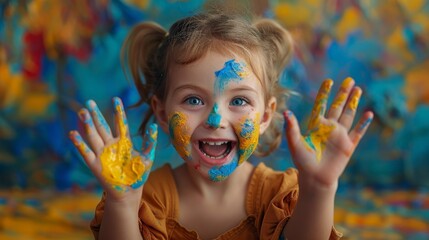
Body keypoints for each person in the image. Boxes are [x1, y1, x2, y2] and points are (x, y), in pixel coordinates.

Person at [69, 11, 373, 240]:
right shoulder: (147, 198)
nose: (216, 120)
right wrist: (122, 204)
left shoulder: (280, 195)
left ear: (265, 116)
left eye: (239, 101)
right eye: (193, 100)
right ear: (161, 112)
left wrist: (319, 188)